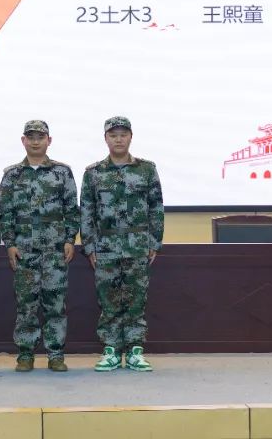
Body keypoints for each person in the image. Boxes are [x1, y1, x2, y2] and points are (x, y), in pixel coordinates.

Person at [79, 116, 164, 372]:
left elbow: (156, 207)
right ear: (106, 138)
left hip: (137, 244)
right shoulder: (93, 173)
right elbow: (87, 212)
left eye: (123, 135)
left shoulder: (146, 169)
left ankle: (135, 350)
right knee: (109, 300)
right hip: (105, 246)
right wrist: (89, 246)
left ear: (130, 137)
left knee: (136, 300)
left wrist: (154, 242)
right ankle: (111, 350)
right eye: (113, 135)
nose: (118, 139)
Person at [0, 120, 79, 372]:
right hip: (24, 249)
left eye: (40, 137)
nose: (35, 141)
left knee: (55, 303)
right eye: (30, 137)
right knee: (26, 304)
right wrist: (9, 243)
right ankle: (25, 353)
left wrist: (69, 239)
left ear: (48, 141)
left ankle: (56, 354)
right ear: (23, 141)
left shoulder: (62, 172)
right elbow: (5, 213)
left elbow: (71, 209)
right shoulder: (12, 175)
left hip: (55, 248)